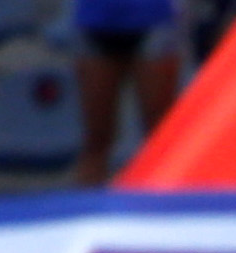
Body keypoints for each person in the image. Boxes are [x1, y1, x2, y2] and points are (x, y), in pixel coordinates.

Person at [72, 0, 185, 186]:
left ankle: (164, 205)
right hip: (95, 21)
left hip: (152, 19)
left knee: (160, 135)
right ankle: (86, 209)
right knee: (96, 138)